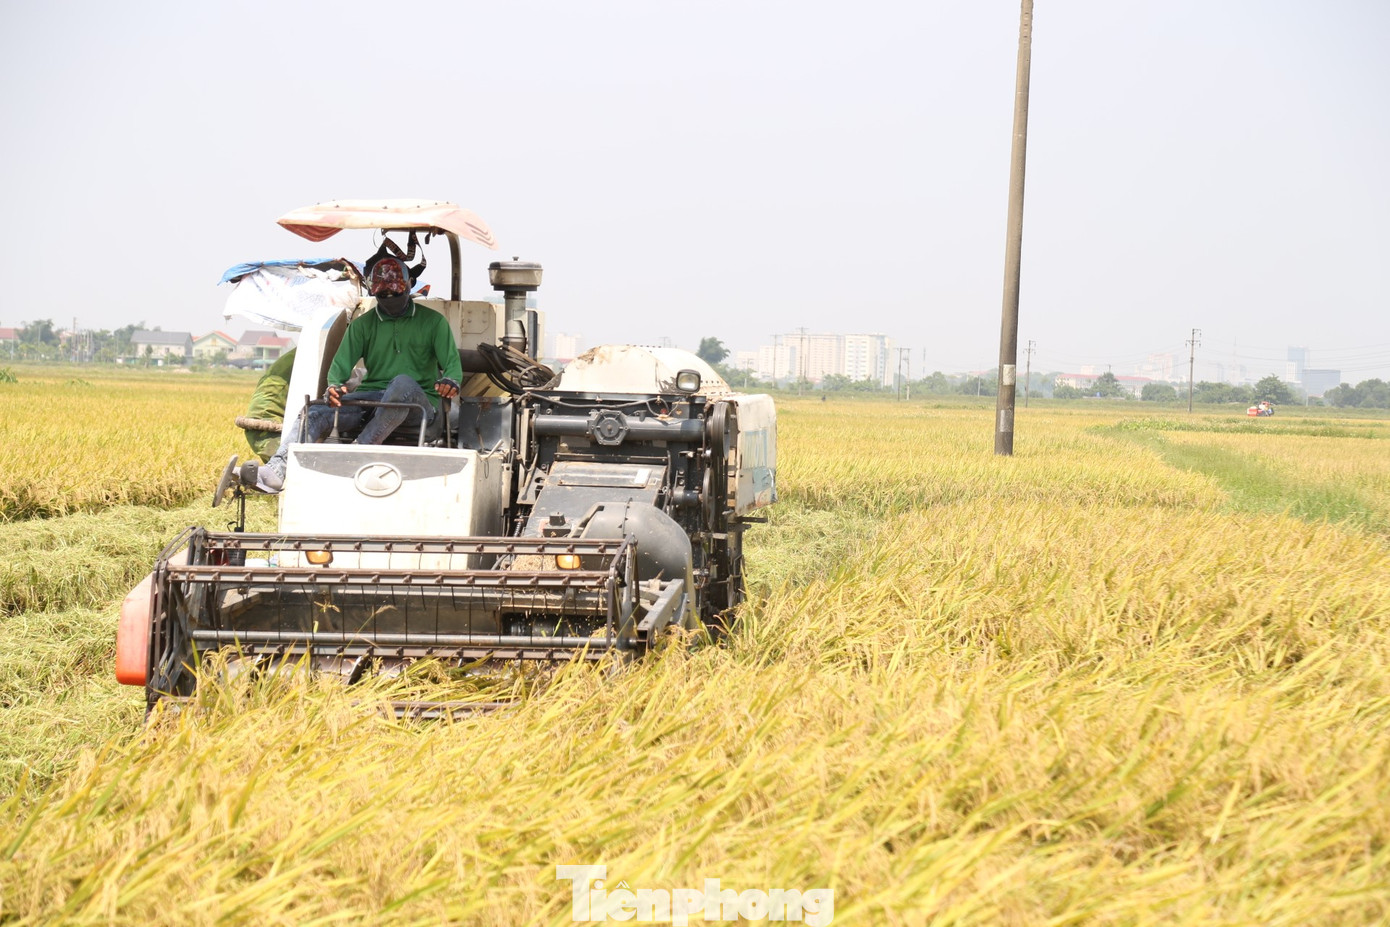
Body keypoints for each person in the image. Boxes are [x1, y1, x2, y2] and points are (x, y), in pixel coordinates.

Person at [253, 256, 461, 491]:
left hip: (419, 404)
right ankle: (276, 472)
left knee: (401, 384)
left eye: (396, 294)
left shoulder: (434, 322)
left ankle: (357, 452)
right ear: (374, 293)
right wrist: (333, 387)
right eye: (383, 296)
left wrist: (450, 381)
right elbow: (338, 369)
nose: (390, 300)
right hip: (371, 400)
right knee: (315, 411)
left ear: (409, 285)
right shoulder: (363, 325)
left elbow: (453, 366)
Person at [239, 348, 295, 463]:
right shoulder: (314, 353)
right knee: (287, 466)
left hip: (264, 418)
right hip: (267, 424)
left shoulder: (303, 350)